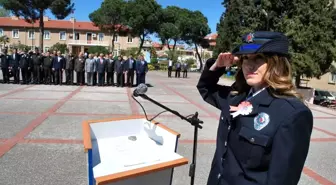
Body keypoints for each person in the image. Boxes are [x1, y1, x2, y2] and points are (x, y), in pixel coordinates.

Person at [197, 31, 313, 185]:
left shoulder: (292, 113)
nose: (249, 65)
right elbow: (206, 89)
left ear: (276, 62)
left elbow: (281, 180)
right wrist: (218, 66)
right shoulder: (237, 96)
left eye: (259, 58)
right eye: (245, 58)